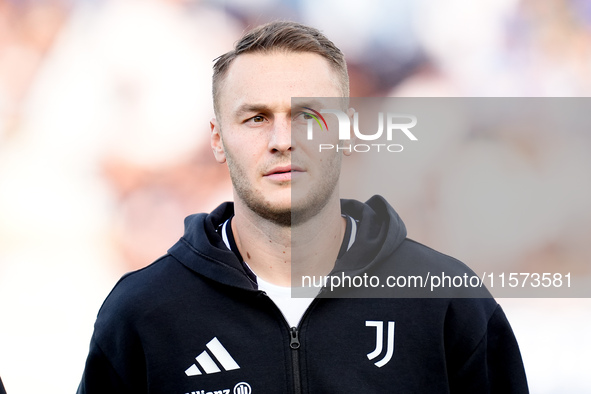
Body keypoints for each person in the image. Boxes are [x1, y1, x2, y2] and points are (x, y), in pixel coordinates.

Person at [77, 21, 528, 393]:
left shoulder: (447, 301)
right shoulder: (143, 313)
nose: (283, 141)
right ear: (217, 139)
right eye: (256, 118)